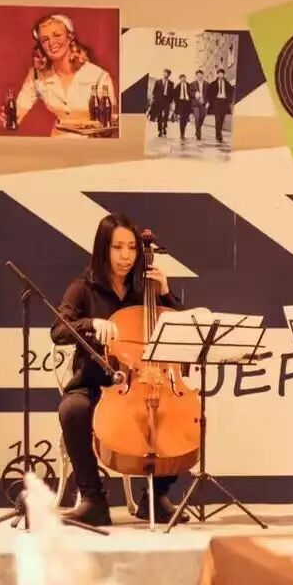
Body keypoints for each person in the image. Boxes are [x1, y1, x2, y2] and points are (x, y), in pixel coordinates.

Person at [53, 213, 187, 526]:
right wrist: (90, 324)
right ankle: (93, 499)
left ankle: (156, 497)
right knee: (72, 410)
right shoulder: (83, 288)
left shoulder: (145, 289)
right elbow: (59, 330)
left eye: (132, 248)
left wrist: (165, 293)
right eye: (117, 248)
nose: (126, 256)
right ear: (104, 249)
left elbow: (181, 331)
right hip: (94, 383)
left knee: (177, 413)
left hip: (144, 381)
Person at [0, 13, 116, 137]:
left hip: (91, 144)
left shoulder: (99, 76)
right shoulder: (37, 75)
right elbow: (19, 111)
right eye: (45, 40)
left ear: (70, 37)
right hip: (56, 142)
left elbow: (110, 124)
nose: (51, 43)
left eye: (57, 35)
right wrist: (8, 119)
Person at [207, 68, 234, 144]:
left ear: (223, 74)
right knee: (218, 119)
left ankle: (218, 133)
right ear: (217, 74)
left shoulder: (227, 84)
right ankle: (218, 135)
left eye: (222, 73)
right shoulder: (213, 84)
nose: (220, 75)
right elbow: (209, 93)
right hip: (217, 102)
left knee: (222, 119)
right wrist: (210, 102)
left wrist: (229, 101)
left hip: (224, 102)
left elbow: (231, 92)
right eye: (219, 73)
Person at [149, 69, 175, 138]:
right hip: (159, 101)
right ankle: (160, 130)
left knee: (166, 115)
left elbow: (172, 93)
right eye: (164, 73)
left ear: (169, 75)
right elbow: (154, 91)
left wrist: (170, 101)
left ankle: (164, 127)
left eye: (167, 73)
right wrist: (155, 99)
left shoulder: (171, 83)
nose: (165, 74)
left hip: (167, 101)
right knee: (159, 116)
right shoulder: (158, 82)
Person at [173, 74, 194, 140]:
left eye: (183, 78)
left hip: (188, 103)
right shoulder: (177, 86)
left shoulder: (189, 85)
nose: (182, 79)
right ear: (180, 79)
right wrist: (177, 103)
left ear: (185, 78)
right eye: (181, 78)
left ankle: (183, 130)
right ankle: (182, 133)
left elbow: (192, 94)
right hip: (181, 103)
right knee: (182, 118)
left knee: (186, 118)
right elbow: (175, 96)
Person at [192, 70, 208, 140]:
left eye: (200, 75)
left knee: (202, 118)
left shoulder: (207, 84)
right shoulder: (193, 84)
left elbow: (209, 94)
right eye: (198, 75)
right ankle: (198, 134)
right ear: (196, 76)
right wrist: (195, 94)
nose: (199, 76)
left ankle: (197, 130)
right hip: (196, 104)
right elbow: (190, 92)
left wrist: (208, 102)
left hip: (204, 104)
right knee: (197, 118)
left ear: (202, 75)